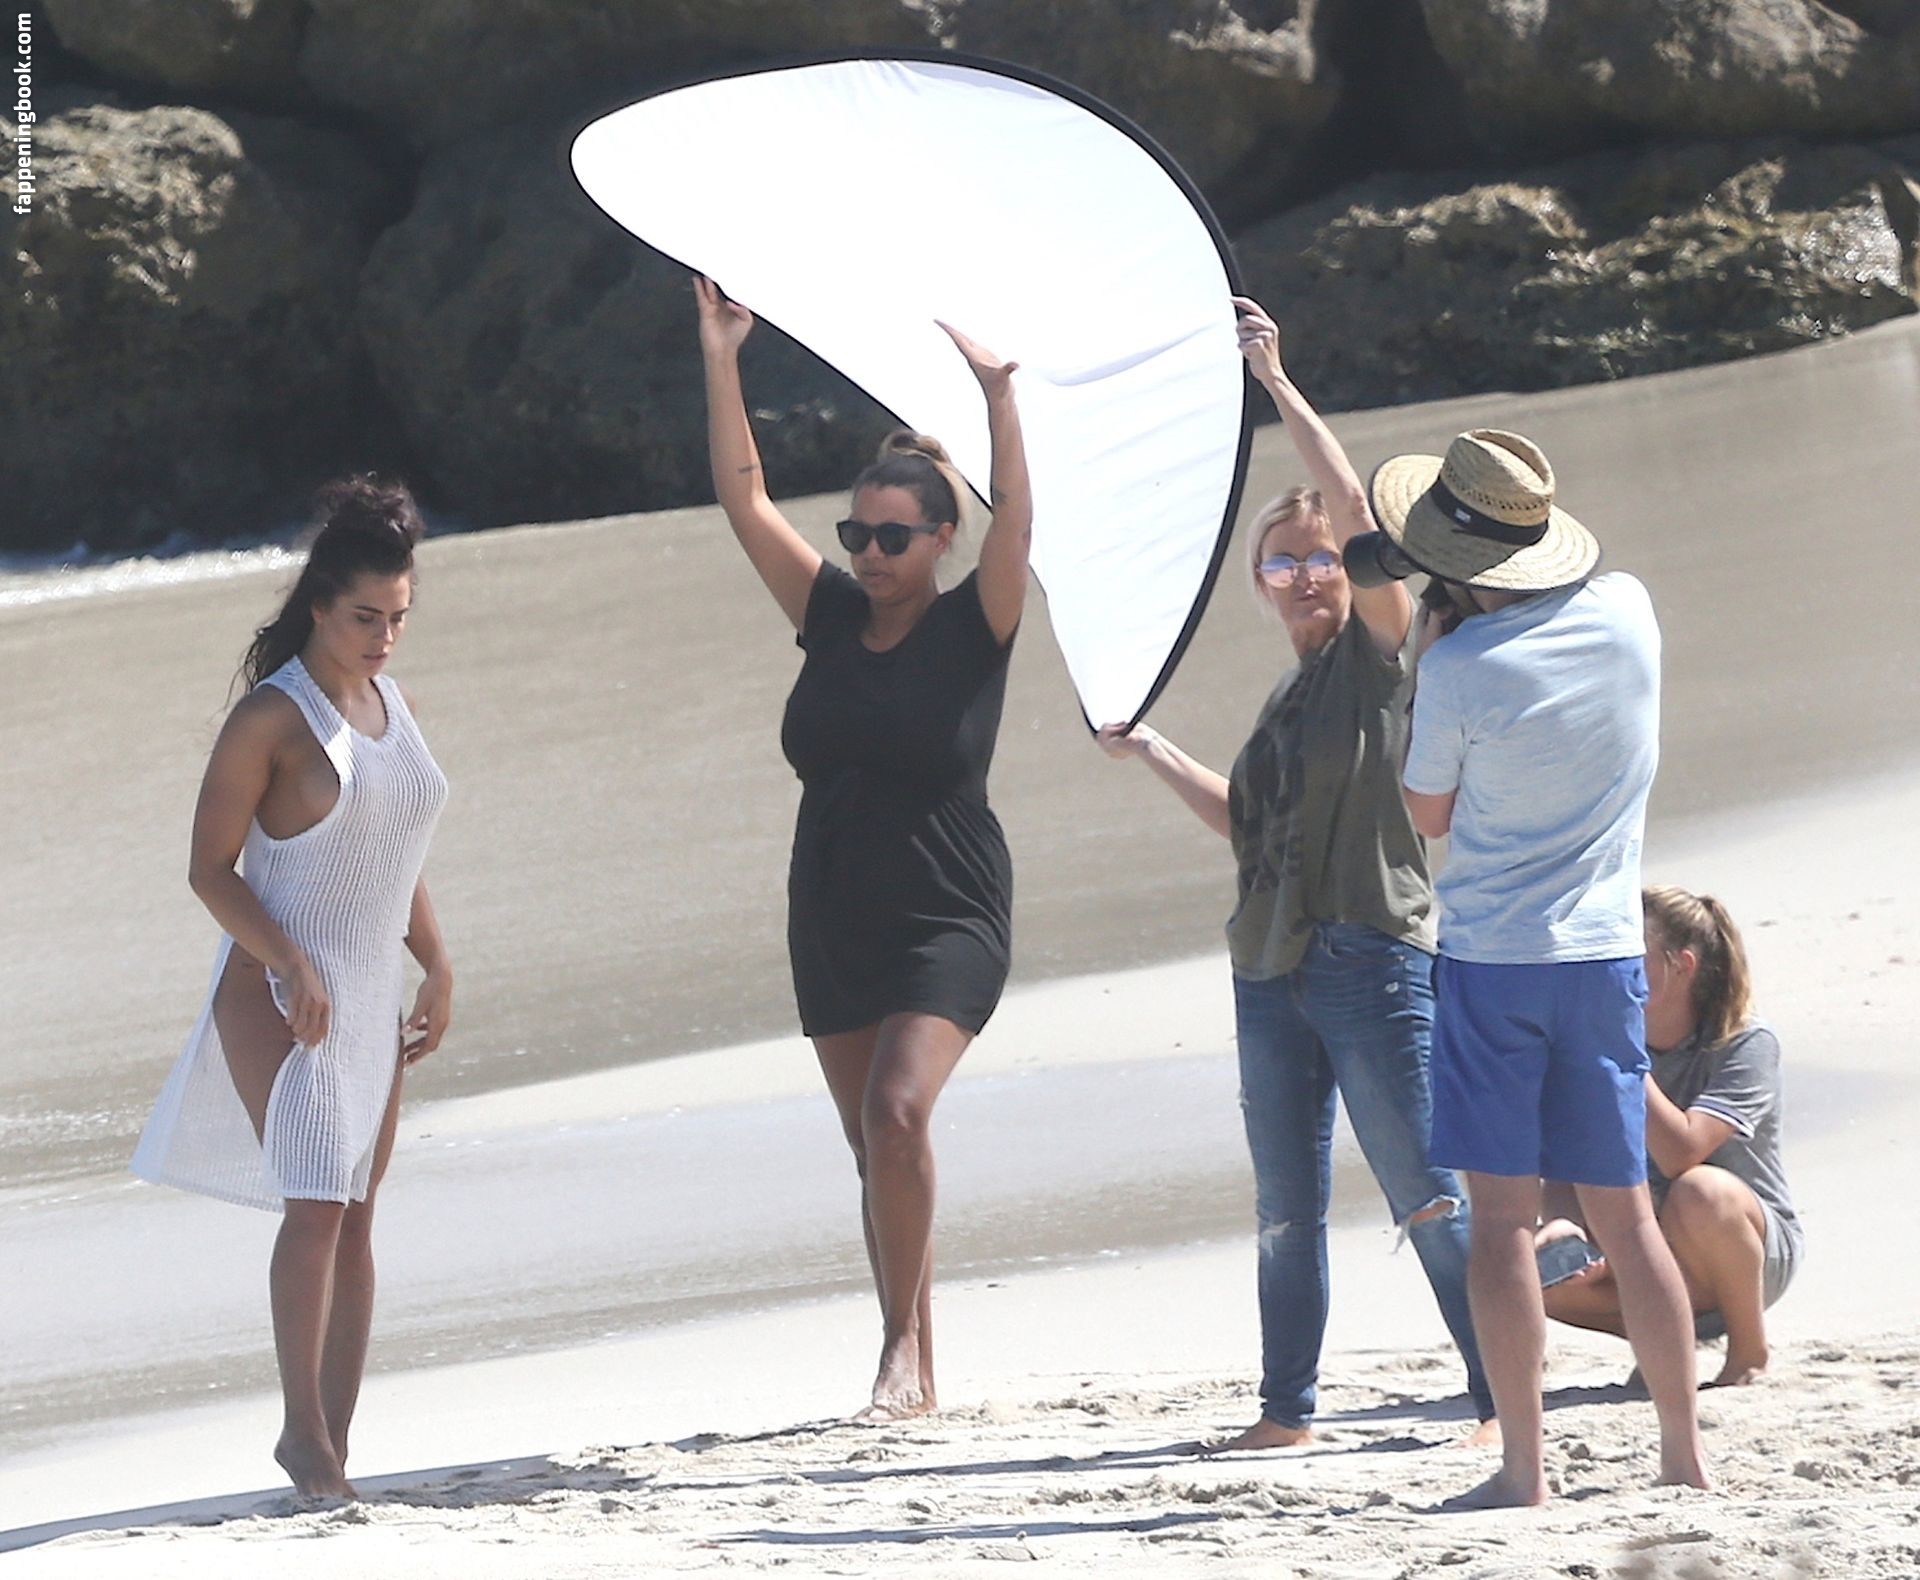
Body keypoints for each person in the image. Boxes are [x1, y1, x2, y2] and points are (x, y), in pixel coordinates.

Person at [1098, 297, 1493, 1450]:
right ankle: (1287, 1411)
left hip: (1372, 952)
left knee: (1427, 1190)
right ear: (1262, 580)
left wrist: (1276, 382)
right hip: (1268, 967)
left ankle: (1495, 1397)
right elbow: (1249, 827)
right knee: (1285, 1210)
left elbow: (1362, 509)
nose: (1310, 571)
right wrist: (1152, 748)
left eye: (1323, 557)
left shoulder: (1380, 656)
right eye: (1286, 559)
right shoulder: (1284, 698)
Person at [693, 276, 1031, 1420]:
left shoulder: (975, 623)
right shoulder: (830, 615)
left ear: (941, 536)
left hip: (948, 908)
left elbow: (1021, 525)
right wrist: (723, 352)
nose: (871, 552)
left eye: (893, 536)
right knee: (871, 1145)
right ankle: (915, 1365)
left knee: (897, 1111)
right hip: (833, 907)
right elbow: (742, 496)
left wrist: (999, 401)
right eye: (858, 533)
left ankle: (899, 1351)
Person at [1385, 428, 1710, 1506]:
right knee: (1629, 1217)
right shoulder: (1629, 611)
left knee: (1503, 1225)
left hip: (1494, 961)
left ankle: (1525, 1470)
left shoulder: (1457, 667)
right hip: (1605, 953)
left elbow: (1426, 814)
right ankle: (1683, 1455)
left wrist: (1425, 657)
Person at [132, 478, 452, 1499]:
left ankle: (333, 1445)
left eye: (398, 617)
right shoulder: (272, 718)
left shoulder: (393, 704)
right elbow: (208, 869)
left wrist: (437, 961)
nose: (384, 638)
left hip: (369, 992)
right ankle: (302, 1440)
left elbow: (393, 852)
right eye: (365, 617)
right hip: (278, 991)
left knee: (356, 1214)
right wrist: (288, 960)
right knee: (315, 1205)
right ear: (318, 604)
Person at [1538, 885, 1800, 1386]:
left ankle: (1749, 1351)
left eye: (1627, 954)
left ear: (1681, 965)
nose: (1611, 969)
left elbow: (1681, 1152)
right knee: (1524, 1268)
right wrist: (1568, 1230)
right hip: (1645, 1245)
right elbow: (1568, 1170)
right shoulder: (1595, 1049)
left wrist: (1623, 1058)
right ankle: (1662, 1340)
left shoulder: (1745, 1041)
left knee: (1699, 1190)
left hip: (1749, 1250)